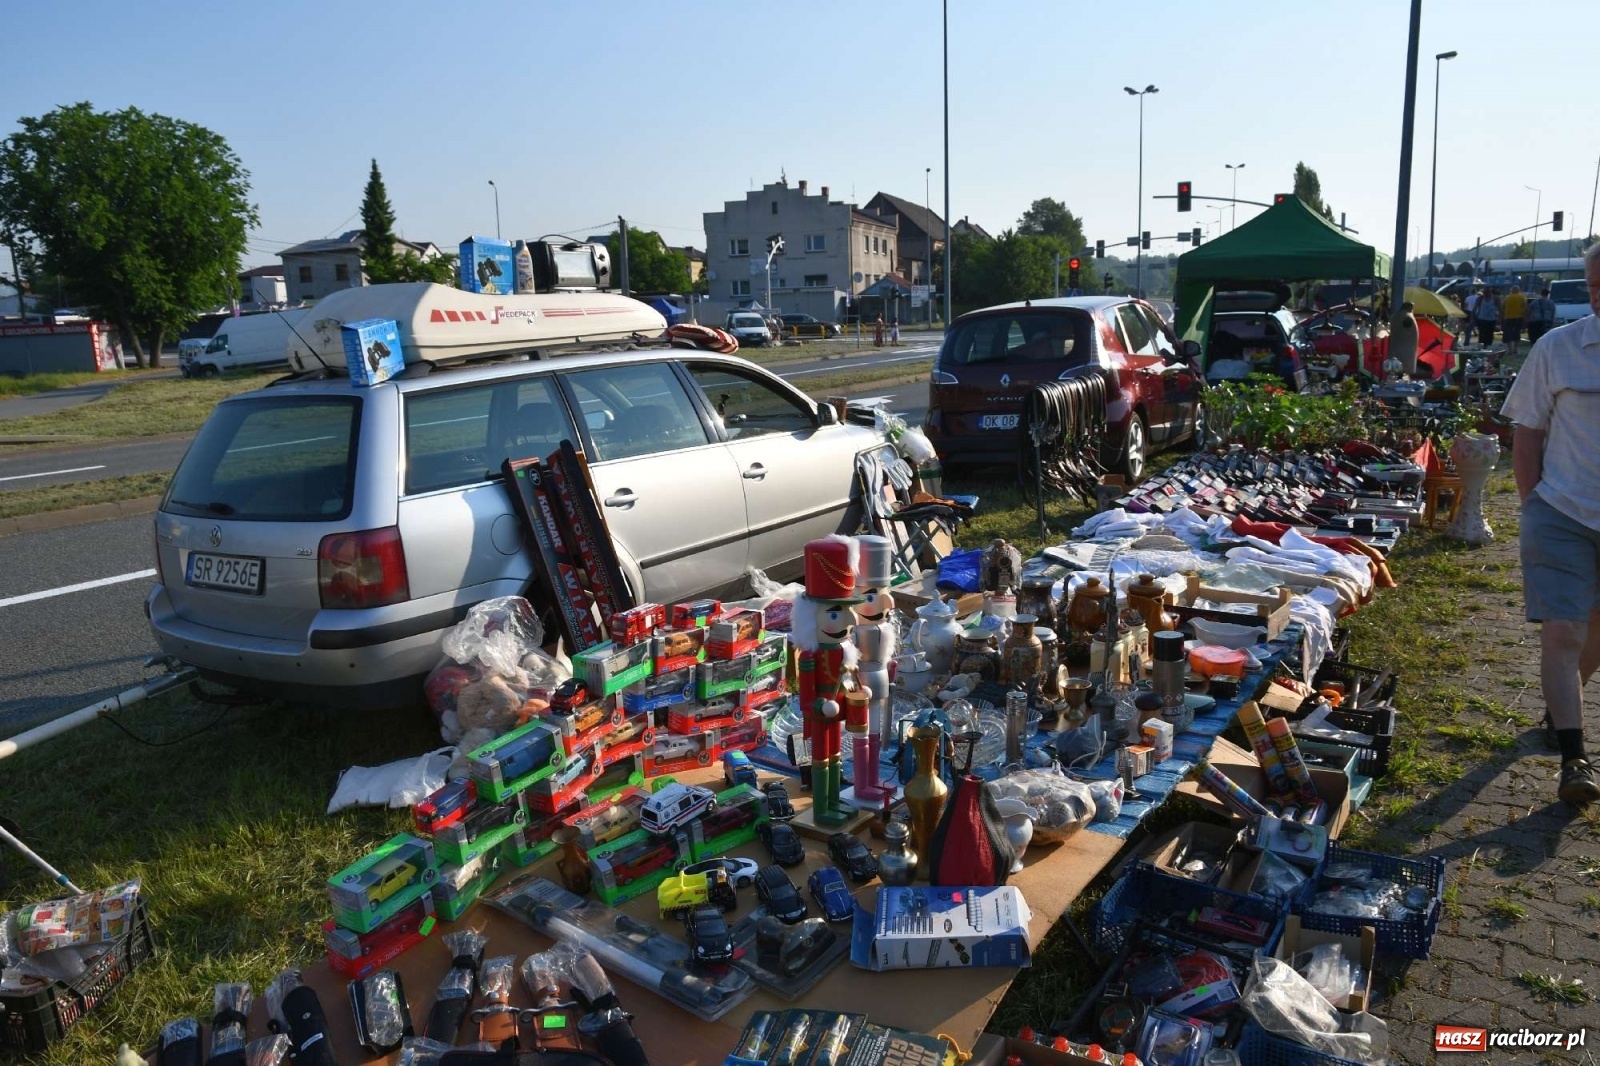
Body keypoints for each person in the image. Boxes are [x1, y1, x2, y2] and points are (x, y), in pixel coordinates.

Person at [1499, 241, 1600, 807]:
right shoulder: (1558, 348)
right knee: (1565, 632)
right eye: (1592, 286)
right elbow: (1529, 431)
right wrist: (1532, 500)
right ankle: (1574, 757)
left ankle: (1563, 703)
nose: (1597, 296)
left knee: (1594, 633)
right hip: (1561, 511)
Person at [1501, 285, 1527, 353]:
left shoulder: (1507, 298)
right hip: (1518, 317)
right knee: (1517, 333)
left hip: (1508, 317)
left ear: (1511, 291)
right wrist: (1525, 318)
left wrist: (1502, 317)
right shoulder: (1522, 297)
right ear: (1519, 290)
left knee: (1508, 333)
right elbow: (1524, 308)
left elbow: (1503, 308)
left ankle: (1509, 350)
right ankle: (1515, 349)